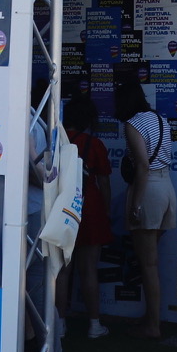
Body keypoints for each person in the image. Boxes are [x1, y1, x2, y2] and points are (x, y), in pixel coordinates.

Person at [113, 74, 171, 340]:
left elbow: (143, 166)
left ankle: (153, 325)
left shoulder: (133, 123)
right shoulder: (160, 119)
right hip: (166, 188)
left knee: (148, 264)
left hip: (148, 189)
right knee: (150, 261)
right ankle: (151, 318)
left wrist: (135, 204)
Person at [61, 93, 113, 338]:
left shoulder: (57, 142)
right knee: (89, 269)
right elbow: (105, 183)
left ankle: (59, 324)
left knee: (62, 271)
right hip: (90, 207)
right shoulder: (95, 144)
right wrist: (106, 211)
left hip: (62, 207)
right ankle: (94, 324)